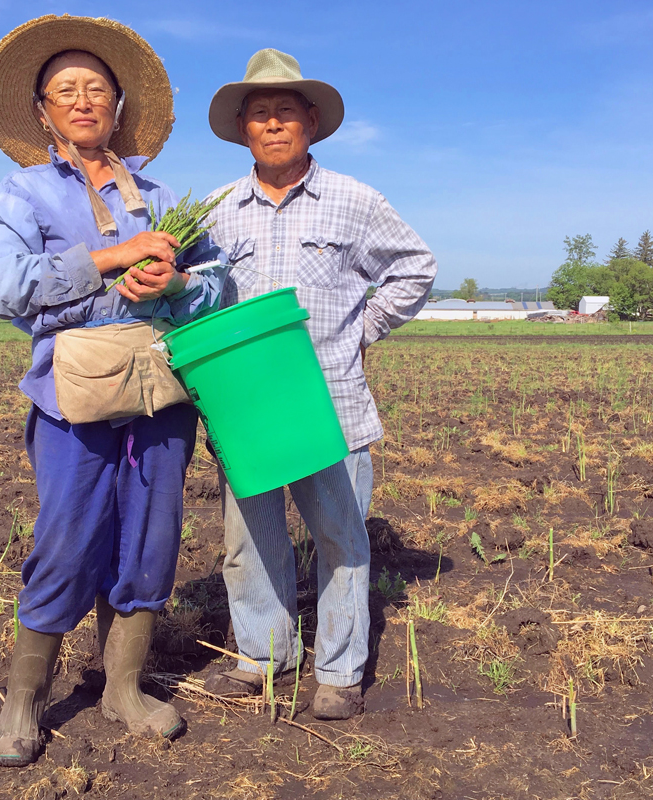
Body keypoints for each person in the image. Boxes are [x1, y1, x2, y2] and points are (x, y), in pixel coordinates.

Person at [0, 15, 222, 765]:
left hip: (159, 392)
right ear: (44, 113)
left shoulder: (163, 194)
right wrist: (115, 258)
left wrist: (175, 279)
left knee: (151, 534)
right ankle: (24, 697)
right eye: (64, 92)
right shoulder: (19, 195)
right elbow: (8, 290)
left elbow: (214, 287)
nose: (83, 102)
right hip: (72, 397)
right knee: (67, 537)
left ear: (119, 106)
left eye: (97, 91)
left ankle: (122, 688)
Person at [201, 49, 437, 719]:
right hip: (246, 408)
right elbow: (196, 301)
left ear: (310, 122)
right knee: (249, 541)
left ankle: (338, 672)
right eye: (259, 114)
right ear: (243, 128)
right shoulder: (216, 211)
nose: (273, 124)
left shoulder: (355, 201)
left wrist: (364, 329)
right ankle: (263, 657)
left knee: (340, 539)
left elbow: (416, 268)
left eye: (285, 112)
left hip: (331, 402)